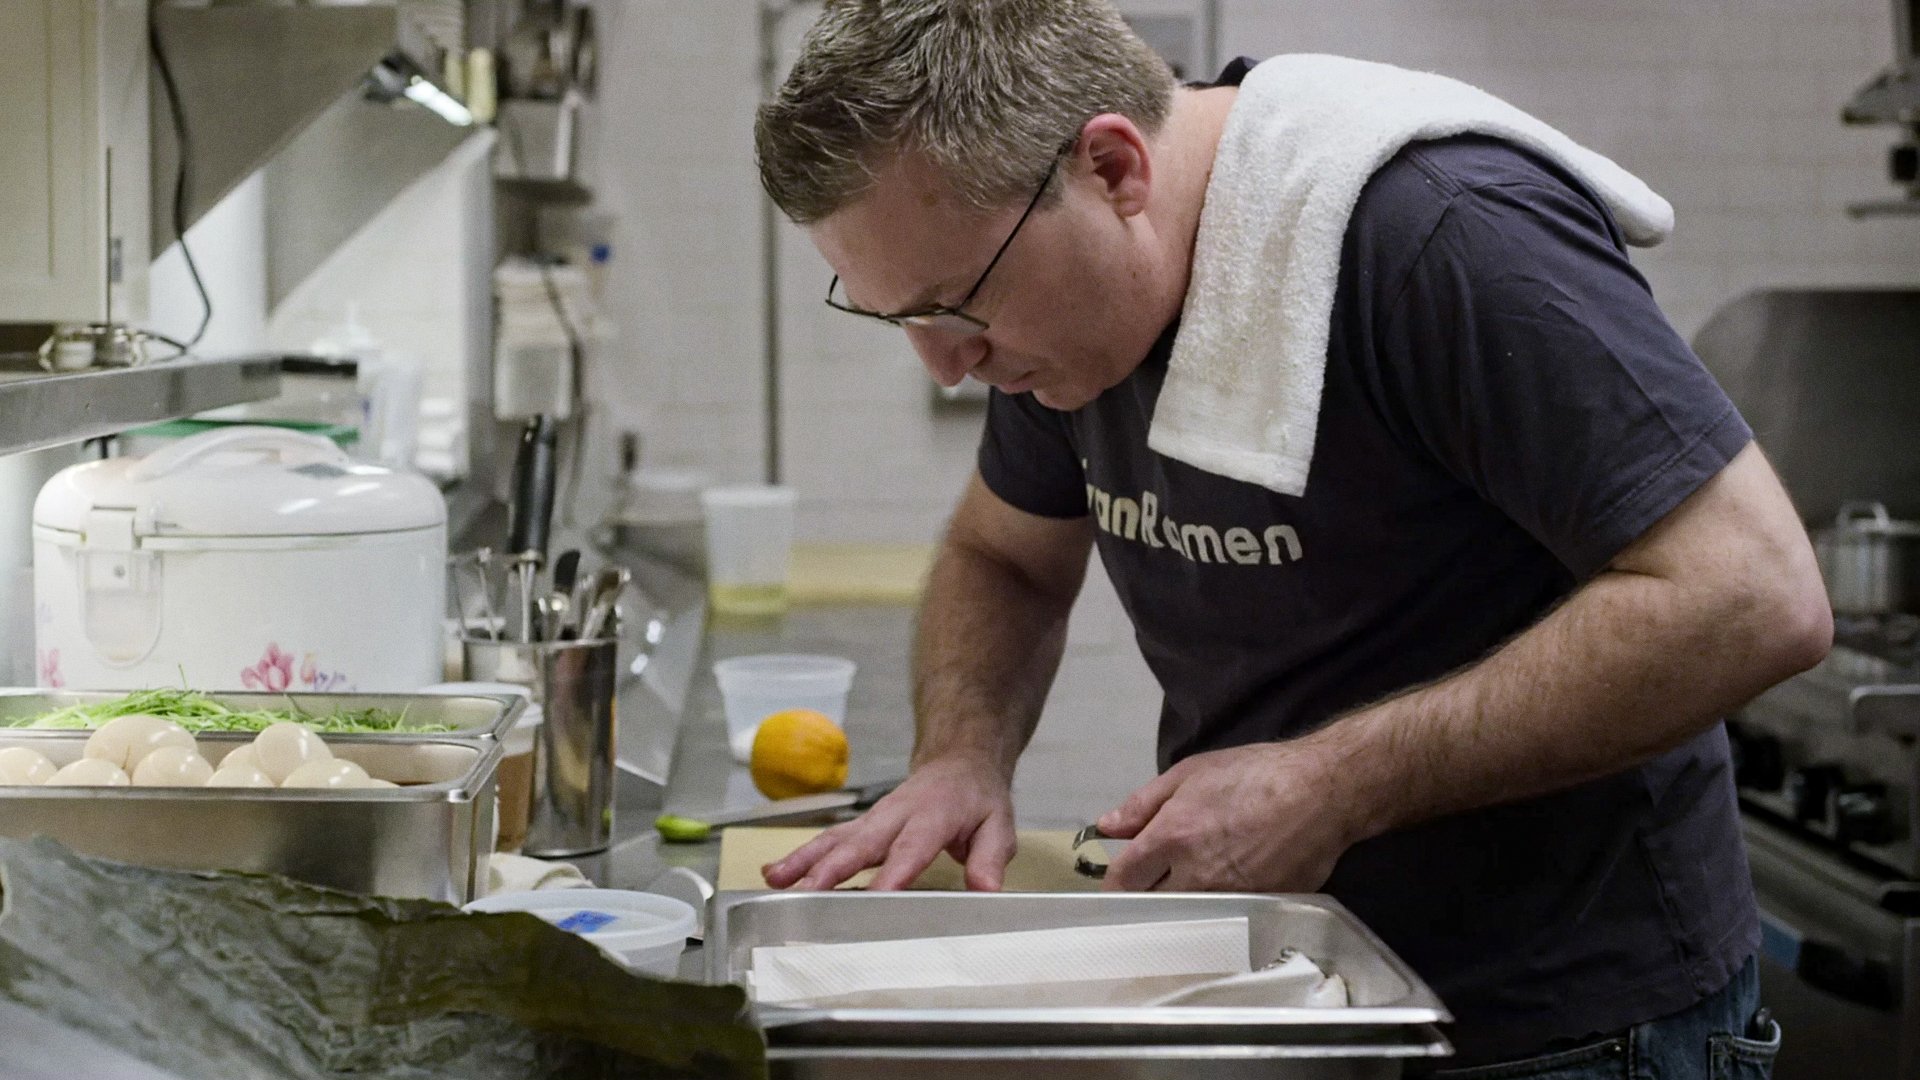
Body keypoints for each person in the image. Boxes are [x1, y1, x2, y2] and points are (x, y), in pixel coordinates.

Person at [751, 2, 1830, 1075]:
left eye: (957, 306)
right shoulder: (1052, 313)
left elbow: (1752, 596)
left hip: (1575, 1023)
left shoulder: (1442, 234)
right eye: (903, 318)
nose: (947, 367)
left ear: (1114, 171)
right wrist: (961, 754)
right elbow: (1006, 558)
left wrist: (1331, 783)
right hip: (1299, 984)